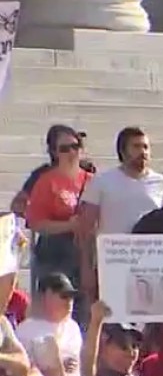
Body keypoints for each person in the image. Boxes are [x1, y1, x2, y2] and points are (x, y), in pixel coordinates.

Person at [77, 126, 163, 300]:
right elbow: (86, 228)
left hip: (150, 266)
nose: (143, 152)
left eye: (146, 147)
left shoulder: (161, 182)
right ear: (123, 151)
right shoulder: (102, 181)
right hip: (113, 263)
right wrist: (86, 268)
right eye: (136, 147)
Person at [24, 125, 91, 315]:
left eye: (75, 146)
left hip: (85, 253)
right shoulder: (47, 181)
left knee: (83, 311)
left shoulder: (93, 180)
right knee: (54, 311)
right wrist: (70, 225)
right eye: (64, 148)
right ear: (54, 152)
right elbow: (36, 222)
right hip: (55, 254)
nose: (71, 152)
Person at [16, 272, 89, 376]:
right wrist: (46, 367)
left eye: (71, 297)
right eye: (64, 296)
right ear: (46, 296)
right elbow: (20, 369)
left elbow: (74, 364)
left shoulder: (73, 328)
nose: (69, 302)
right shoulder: (26, 329)